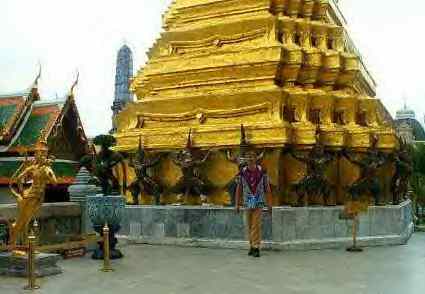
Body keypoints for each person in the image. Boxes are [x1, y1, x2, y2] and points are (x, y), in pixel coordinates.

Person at [235, 150, 272, 257]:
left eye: (252, 156)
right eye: (248, 156)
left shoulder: (262, 171)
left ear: (256, 158)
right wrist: (237, 204)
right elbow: (239, 188)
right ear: (245, 159)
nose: (250, 158)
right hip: (247, 200)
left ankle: (256, 246)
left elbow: (267, 188)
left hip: (258, 200)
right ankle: (251, 245)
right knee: (249, 224)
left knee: (256, 224)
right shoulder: (242, 172)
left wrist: (269, 204)